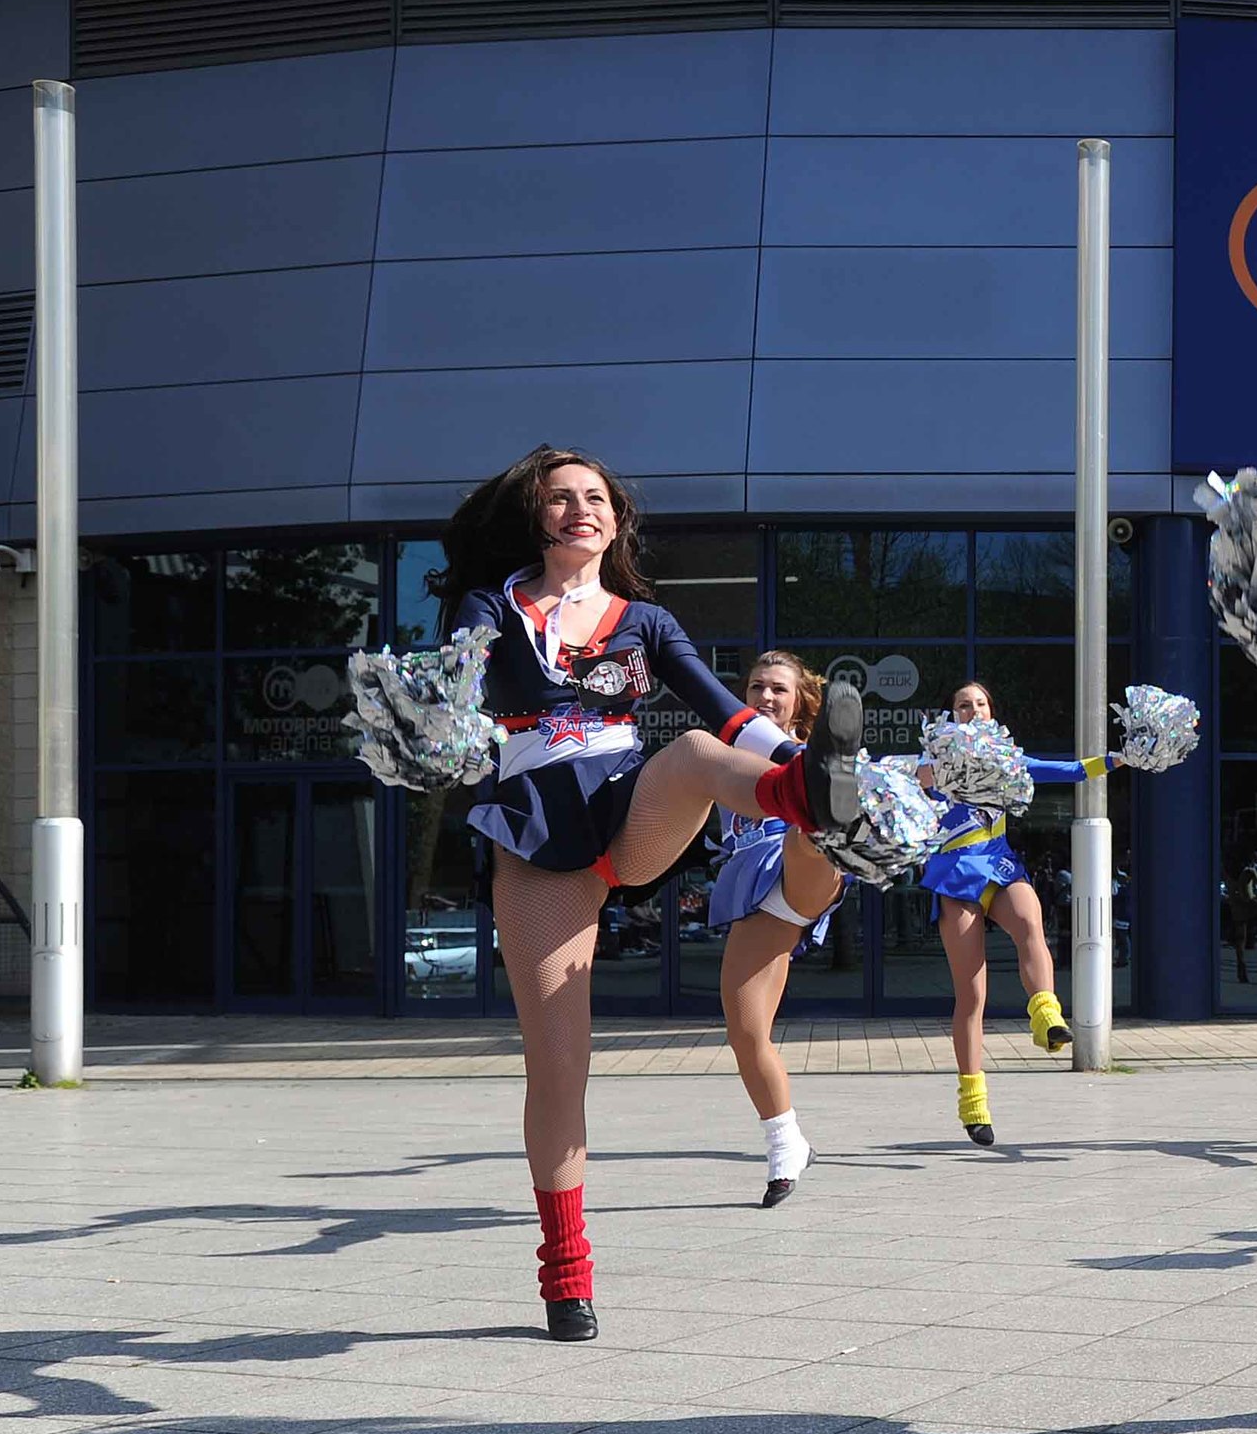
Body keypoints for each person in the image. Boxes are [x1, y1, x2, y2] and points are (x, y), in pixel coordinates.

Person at [436, 447, 864, 1342]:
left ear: (616, 520)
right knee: (559, 1071)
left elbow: (732, 715)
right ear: (537, 517)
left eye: (595, 498)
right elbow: (452, 699)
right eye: (561, 499)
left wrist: (804, 761)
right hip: (536, 836)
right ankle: (566, 1270)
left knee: (701, 757)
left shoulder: (648, 621)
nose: (579, 510)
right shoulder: (491, 607)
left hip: (627, 815)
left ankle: (810, 797)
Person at [703, 650, 848, 1208]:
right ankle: (787, 1142)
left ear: (799, 703)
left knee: (805, 835)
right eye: (757, 686)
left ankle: (828, 819)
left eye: (778, 689)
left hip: (800, 870)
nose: (765, 696)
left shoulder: (807, 753)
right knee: (746, 1035)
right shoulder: (719, 756)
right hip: (753, 895)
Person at [920, 679, 1086, 1147]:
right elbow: (891, 783)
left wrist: (1122, 758)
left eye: (980, 703)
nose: (972, 710)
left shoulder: (1008, 762)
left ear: (992, 712)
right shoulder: (933, 766)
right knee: (972, 997)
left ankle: (1046, 1016)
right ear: (951, 717)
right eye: (962, 705)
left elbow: (1070, 770)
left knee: (1031, 921)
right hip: (955, 880)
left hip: (998, 866)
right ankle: (973, 1103)